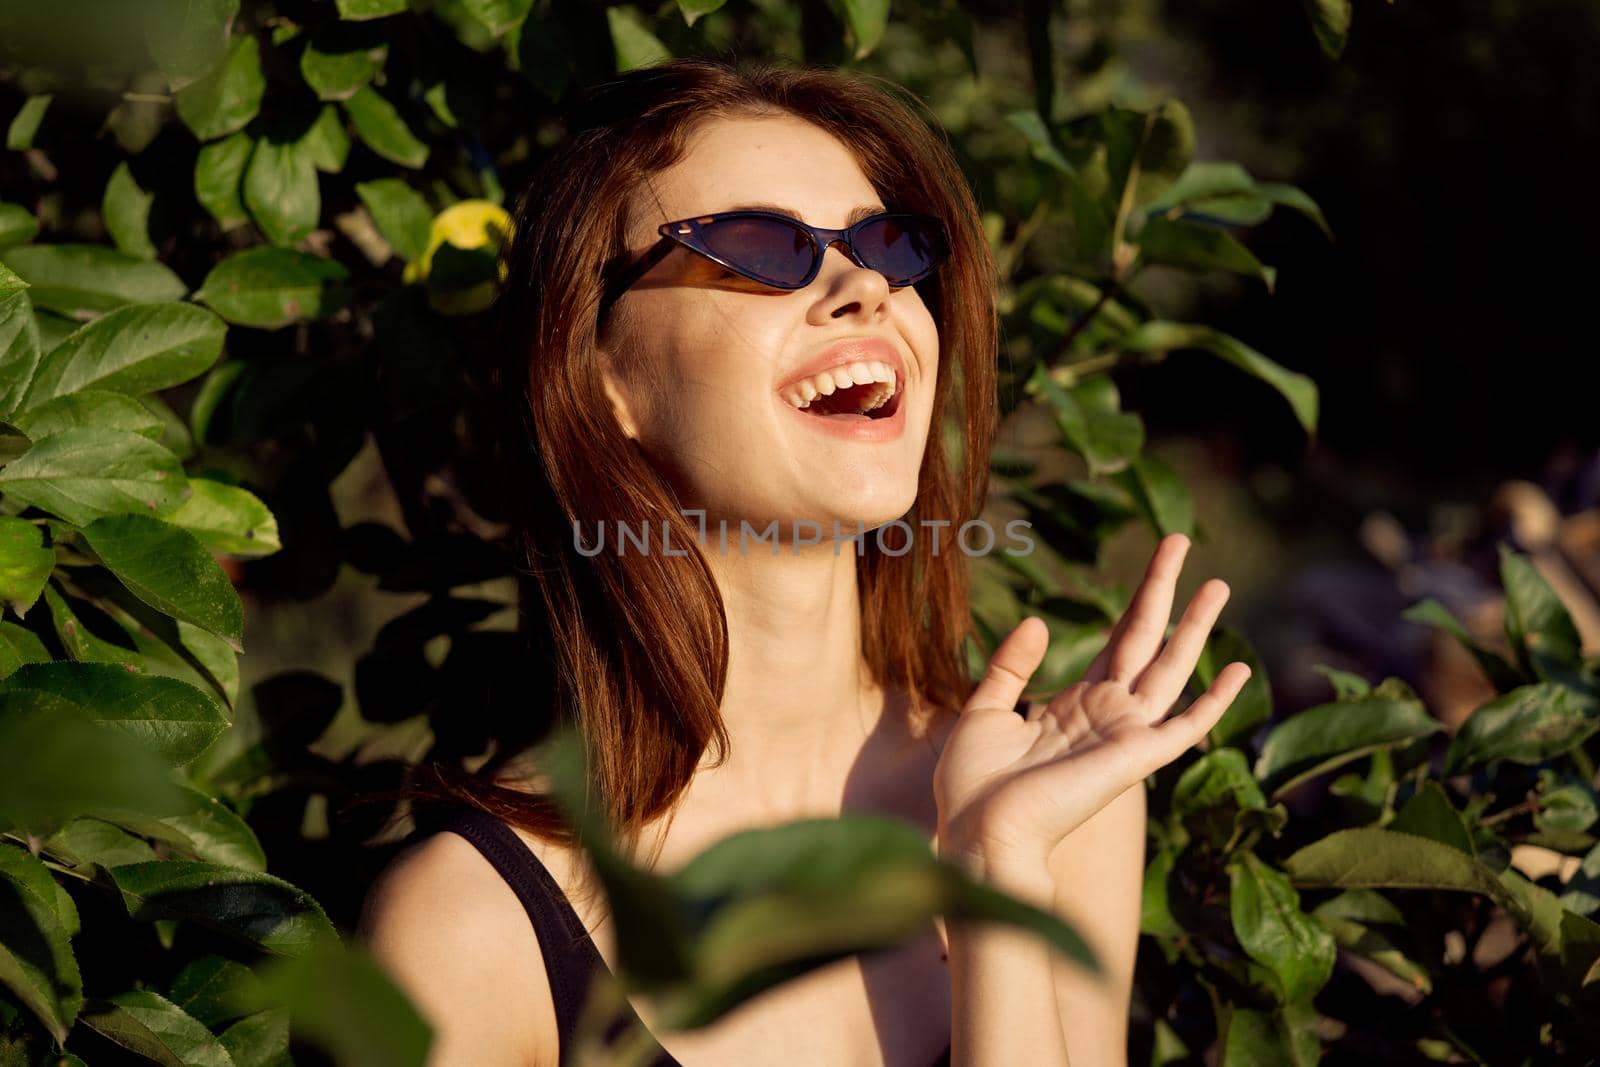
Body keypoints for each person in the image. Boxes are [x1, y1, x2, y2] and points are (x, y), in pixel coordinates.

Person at [357, 56, 1250, 1067]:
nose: (863, 284)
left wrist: (999, 873)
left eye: (885, 245)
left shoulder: (1055, 803)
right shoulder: (469, 932)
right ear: (601, 375)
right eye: (754, 246)